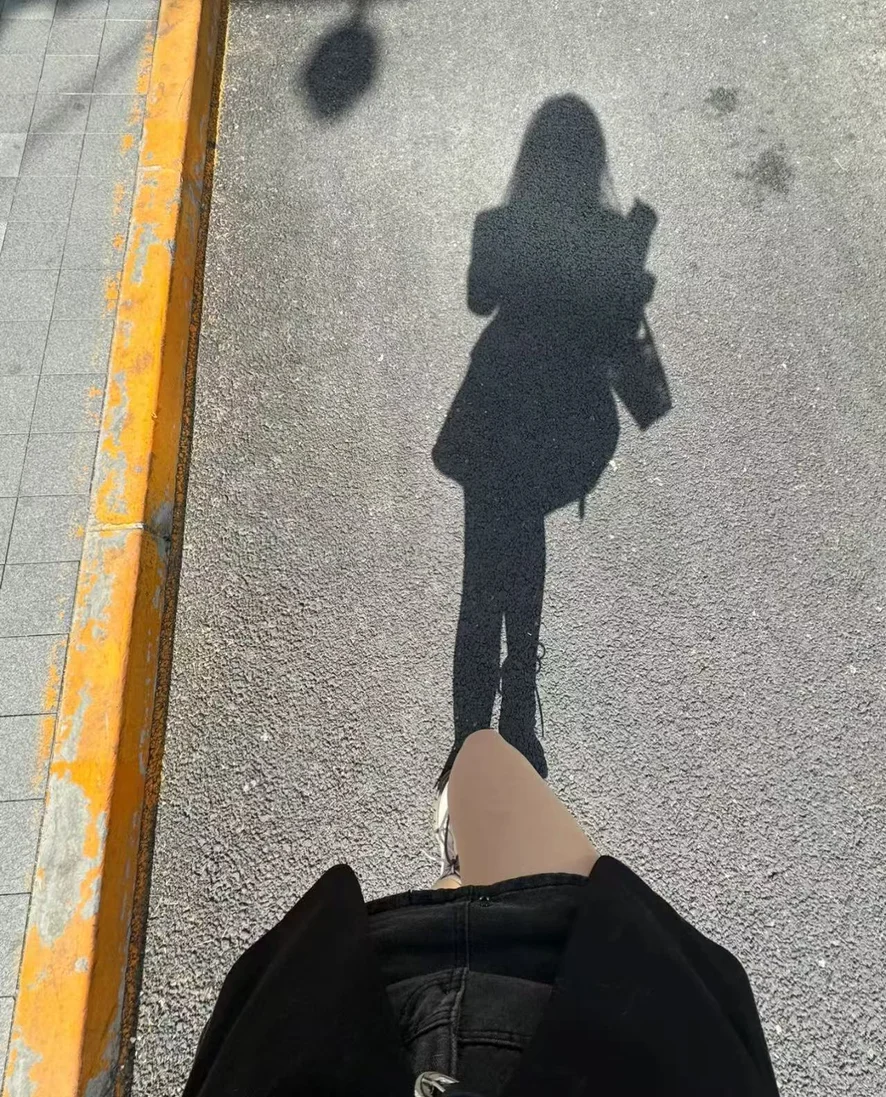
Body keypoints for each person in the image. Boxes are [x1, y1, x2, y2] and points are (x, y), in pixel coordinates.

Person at [182, 729, 779, 1096]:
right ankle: (458, 878)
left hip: (587, 995)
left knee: (482, 753)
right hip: (338, 1013)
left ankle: (457, 877)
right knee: (482, 759)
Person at [433, 96, 671, 788]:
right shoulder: (610, 235)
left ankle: (471, 736)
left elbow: (479, 297)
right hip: (567, 427)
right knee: (525, 528)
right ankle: (518, 706)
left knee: (482, 571)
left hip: (497, 412)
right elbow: (616, 332)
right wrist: (628, 269)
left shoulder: (499, 226)